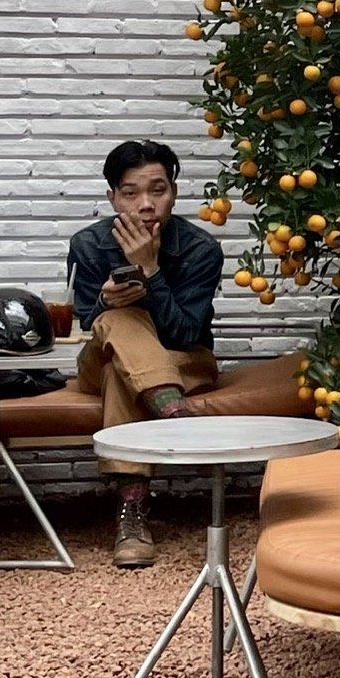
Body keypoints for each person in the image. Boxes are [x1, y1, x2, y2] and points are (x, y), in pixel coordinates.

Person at [67, 139, 227, 568]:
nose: (146, 204)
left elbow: (185, 333)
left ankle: (132, 510)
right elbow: (86, 323)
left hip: (184, 362)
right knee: (118, 322)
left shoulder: (200, 249)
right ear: (112, 197)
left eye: (158, 190)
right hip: (99, 362)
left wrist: (153, 273)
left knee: (127, 374)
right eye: (131, 193)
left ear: (174, 191)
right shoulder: (87, 245)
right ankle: (177, 422)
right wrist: (105, 303)